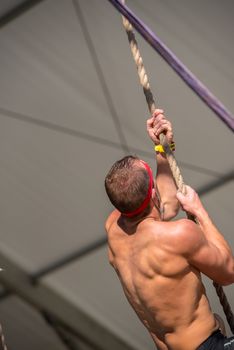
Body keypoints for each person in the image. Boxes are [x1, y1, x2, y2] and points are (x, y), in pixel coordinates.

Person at [104, 109, 234, 350]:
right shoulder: (179, 234)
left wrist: (162, 149)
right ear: (153, 194)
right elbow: (228, 272)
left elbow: (165, 206)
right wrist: (199, 211)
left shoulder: (114, 227)